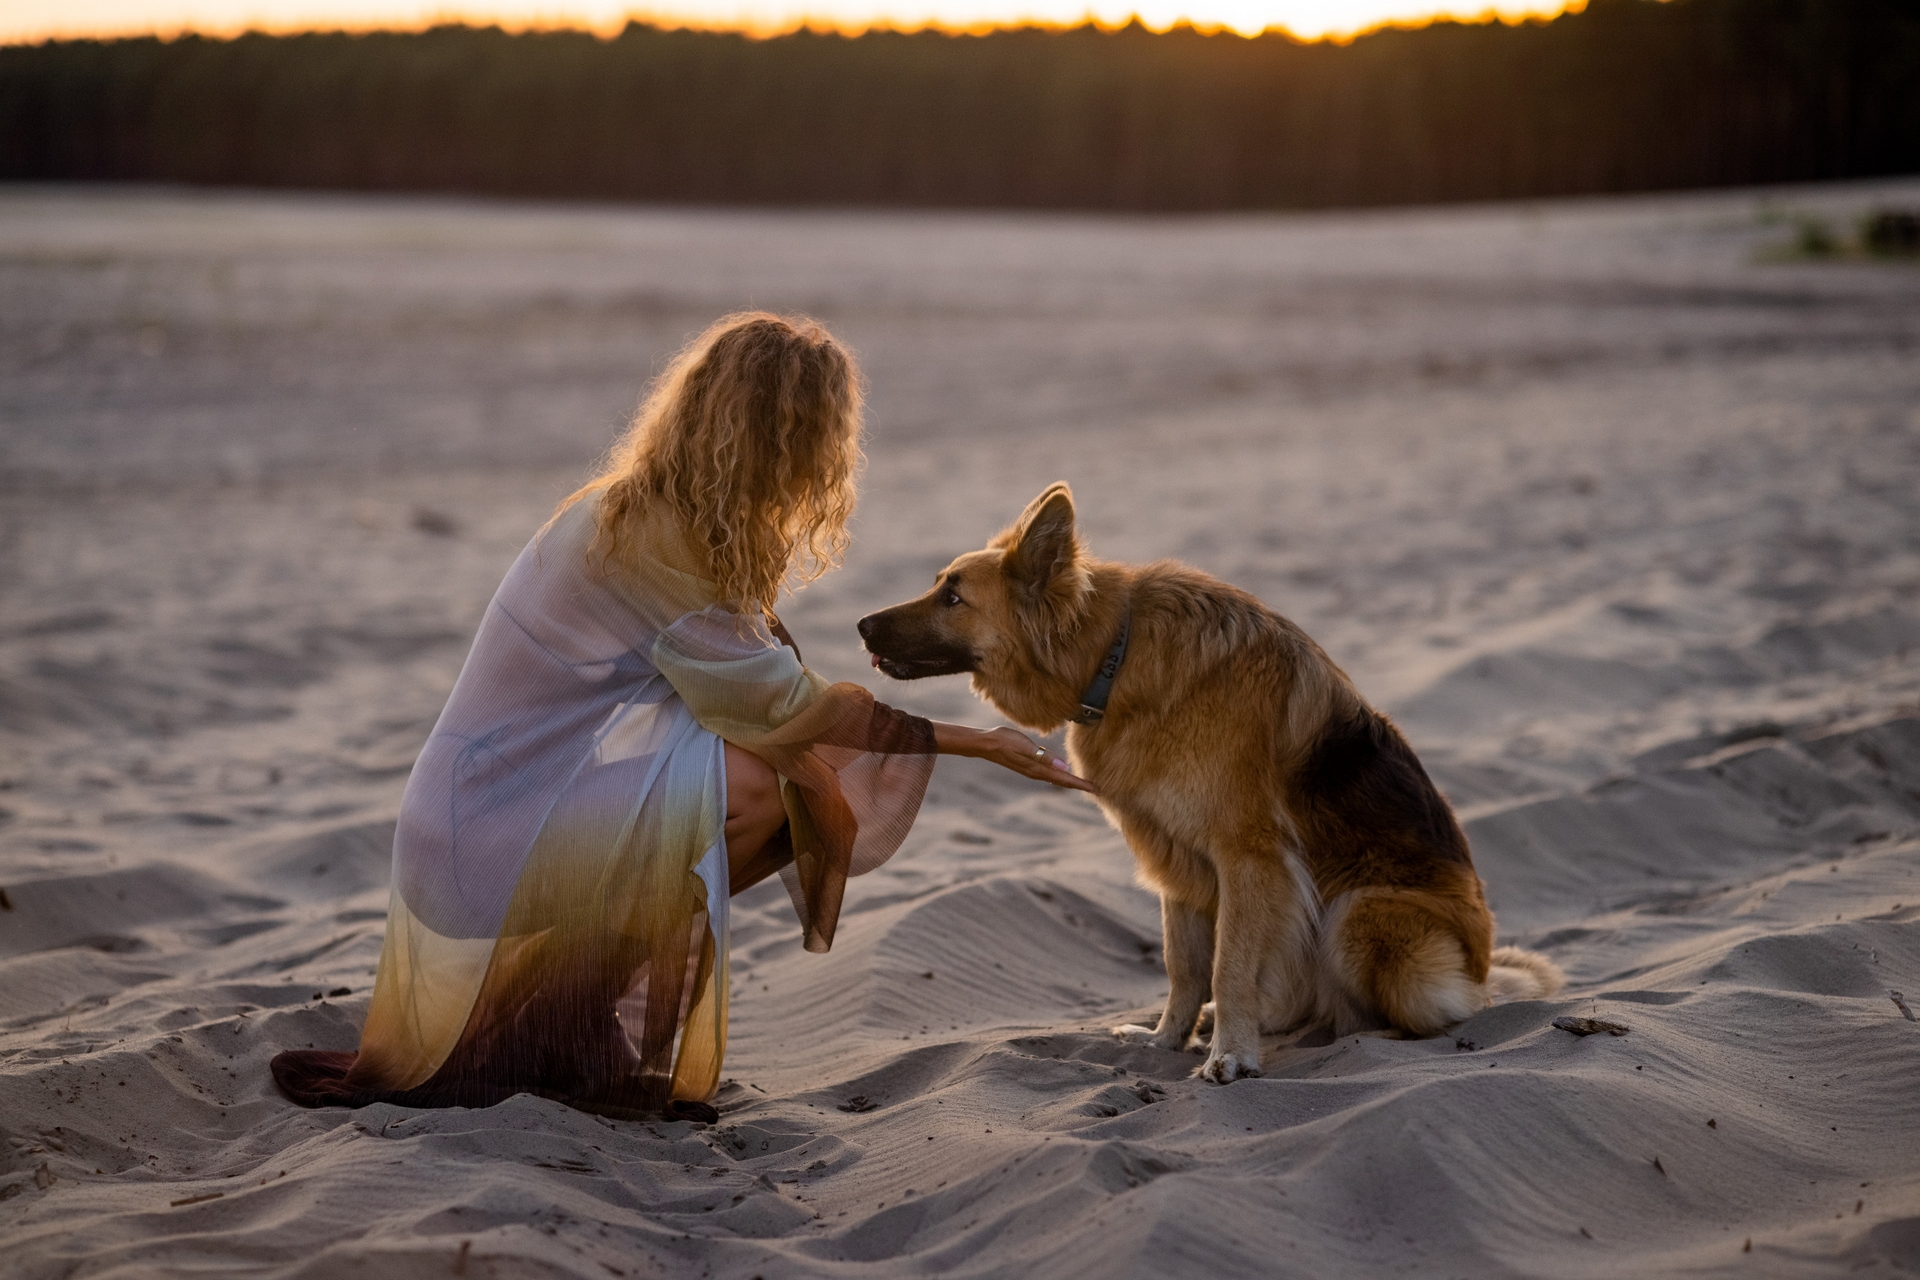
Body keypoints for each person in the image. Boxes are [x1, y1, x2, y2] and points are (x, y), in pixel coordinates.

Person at [270, 312, 1092, 1121]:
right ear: (778, 439)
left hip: (501, 807)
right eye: (813, 440)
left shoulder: (673, 516)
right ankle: (564, 1024)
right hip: (479, 829)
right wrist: (979, 742)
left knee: (783, 779)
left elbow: (759, 694)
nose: (820, 466)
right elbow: (784, 706)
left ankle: (570, 1012)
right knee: (767, 785)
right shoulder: (650, 536)